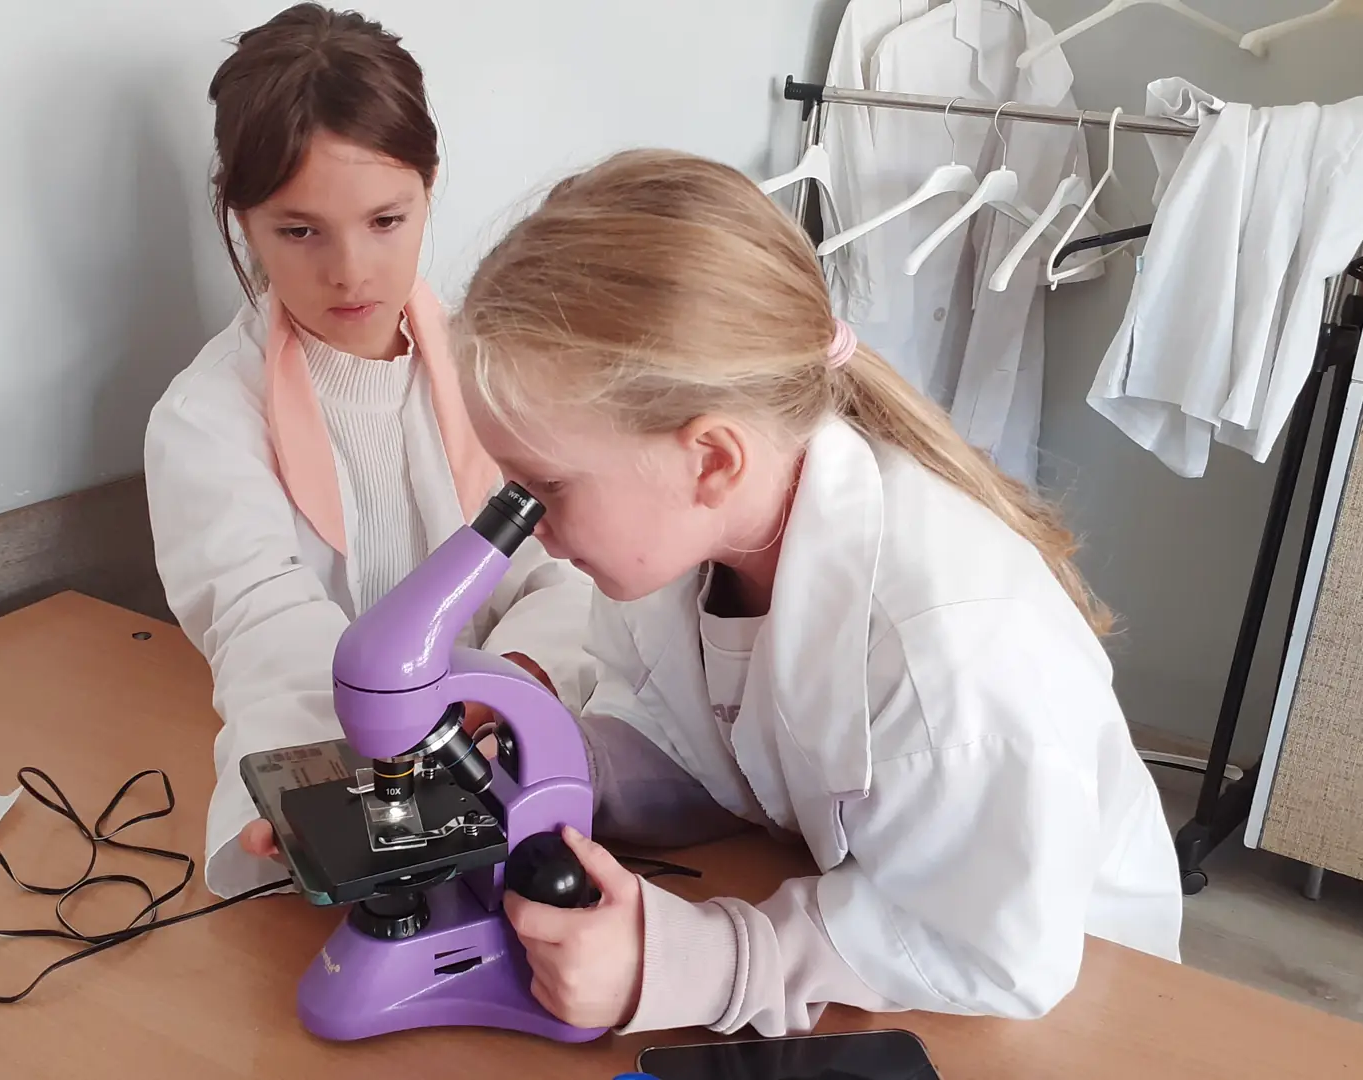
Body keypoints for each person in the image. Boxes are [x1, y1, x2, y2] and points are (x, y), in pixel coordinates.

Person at [455, 149, 1183, 1036]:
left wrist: (691, 963)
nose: (523, 523)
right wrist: (558, 761)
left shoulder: (951, 650)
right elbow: (710, 754)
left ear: (711, 458)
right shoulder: (677, 546)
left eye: (545, 488)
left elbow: (987, 949)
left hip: (1064, 1005)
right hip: (876, 924)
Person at [145, 4, 593, 900]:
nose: (350, 271)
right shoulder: (205, 420)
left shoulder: (502, 370)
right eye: (299, 231)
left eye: (386, 220)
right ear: (241, 219)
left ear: (430, 187)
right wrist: (321, 793)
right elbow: (264, 629)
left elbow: (574, 571)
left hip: (511, 745)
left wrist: (514, 684)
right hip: (350, 768)